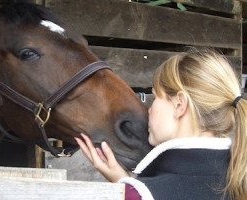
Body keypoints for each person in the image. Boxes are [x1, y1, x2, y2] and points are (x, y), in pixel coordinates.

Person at [75, 48, 247, 200]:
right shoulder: (238, 183)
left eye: (156, 96)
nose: (149, 109)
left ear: (180, 105)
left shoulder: (143, 194)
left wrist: (130, 191)